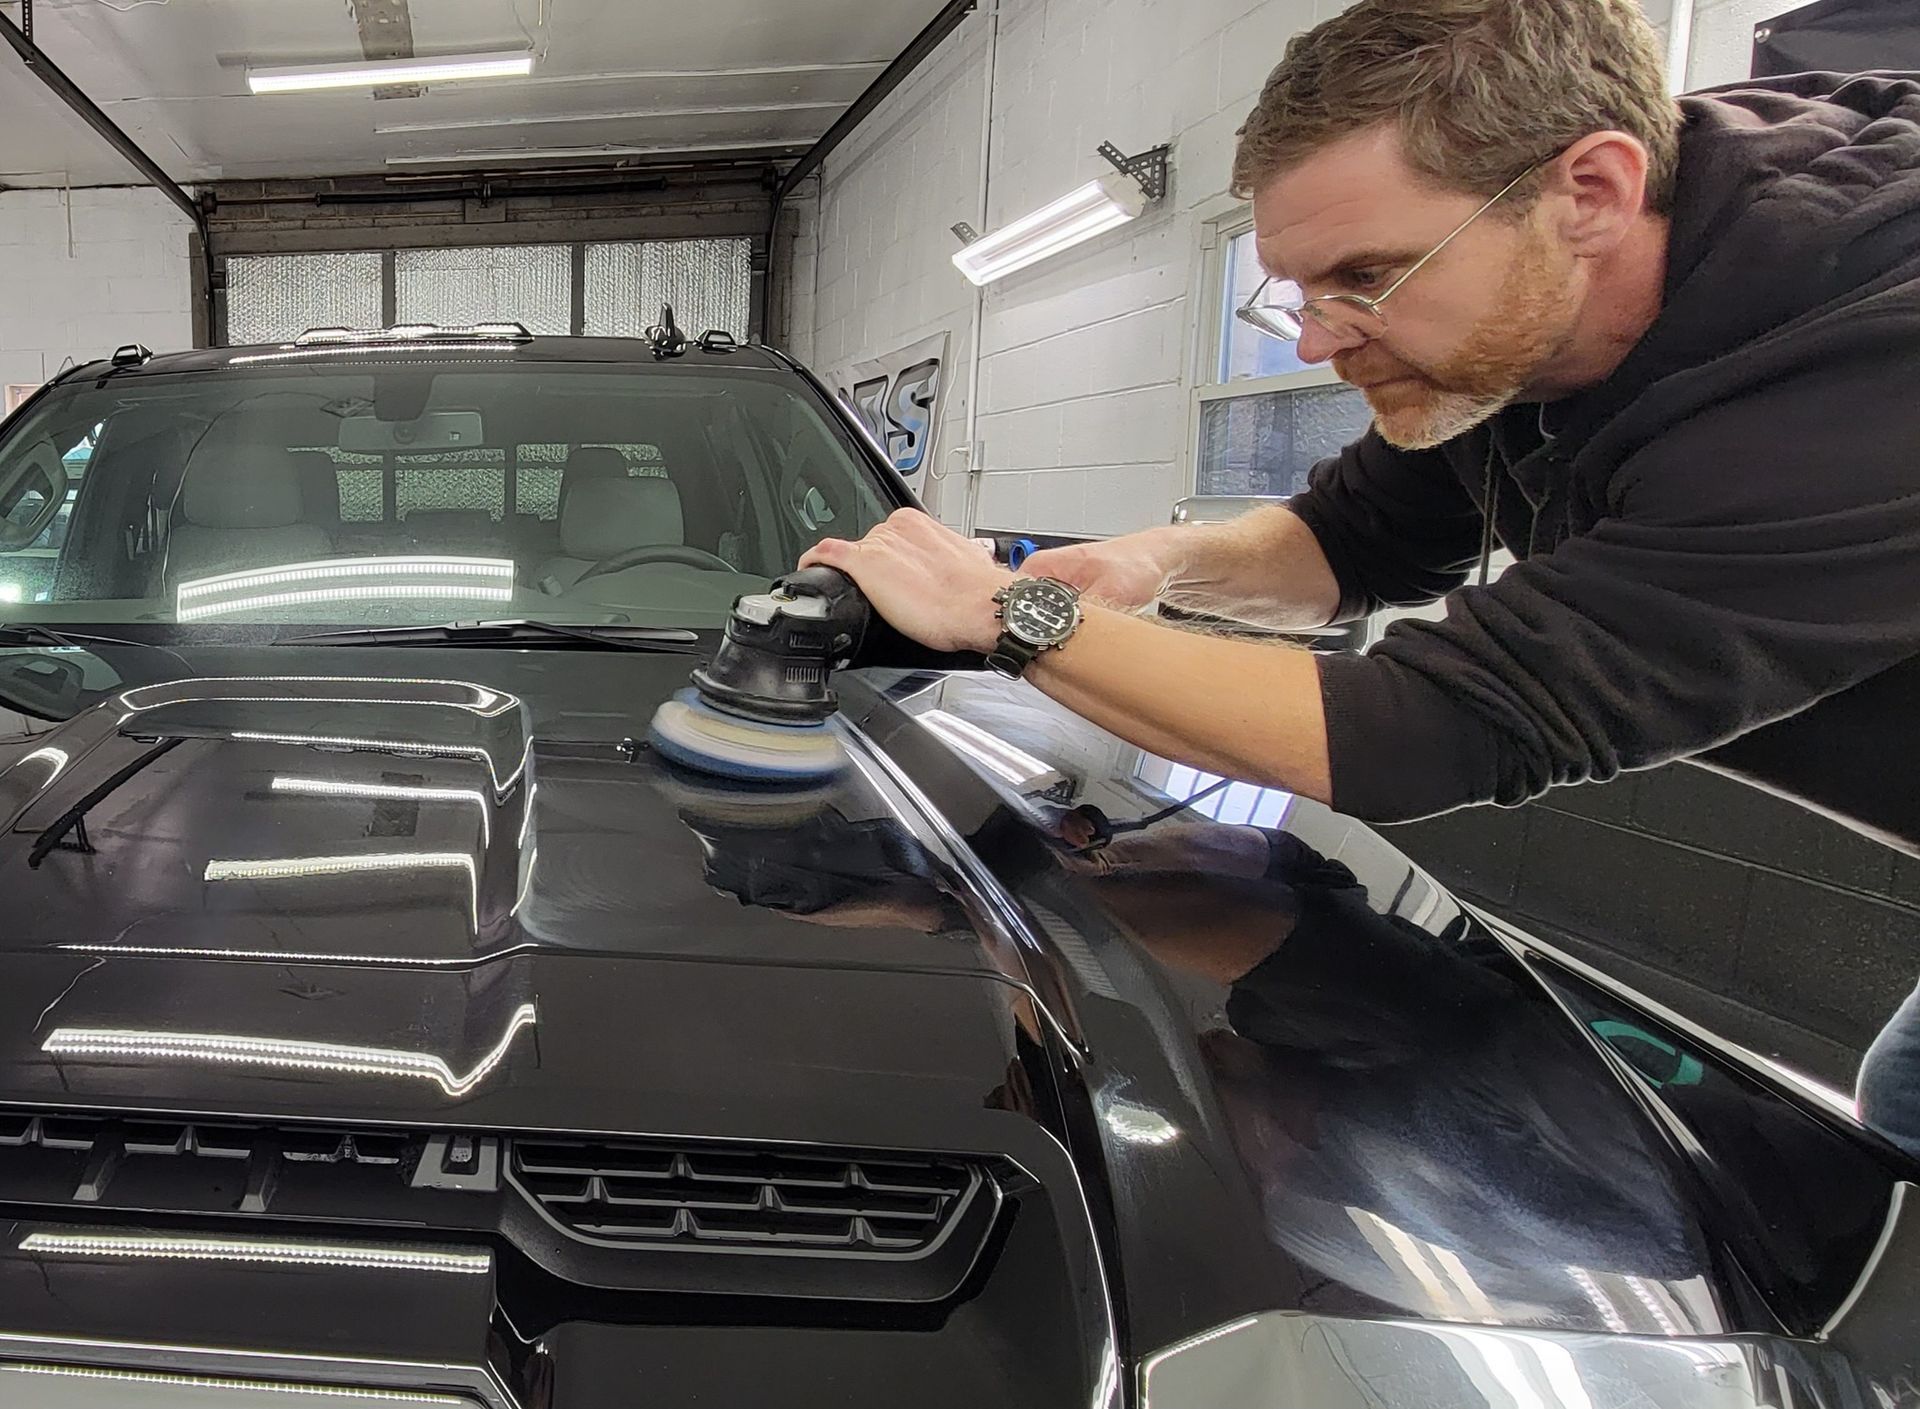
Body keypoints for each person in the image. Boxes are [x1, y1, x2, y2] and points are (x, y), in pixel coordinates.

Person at [801, 0, 1920, 862]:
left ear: (1593, 192)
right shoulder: (1526, 319)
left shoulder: (1864, 377)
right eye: (1296, 290)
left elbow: (1433, 725)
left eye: (1369, 276)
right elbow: (1353, 542)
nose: (1316, 343)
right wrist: (1154, 562)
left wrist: (1006, 608)